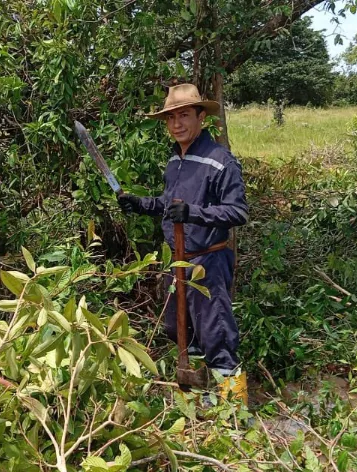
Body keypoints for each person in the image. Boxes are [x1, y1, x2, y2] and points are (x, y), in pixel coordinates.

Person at [118, 84, 249, 403]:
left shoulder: (220, 161)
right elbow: (168, 205)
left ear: (201, 116)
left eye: (184, 115)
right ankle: (200, 392)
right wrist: (141, 204)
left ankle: (235, 410)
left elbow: (237, 211)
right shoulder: (175, 161)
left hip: (208, 262)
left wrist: (194, 213)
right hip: (177, 262)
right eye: (171, 118)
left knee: (215, 332)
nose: (177, 124)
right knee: (178, 329)